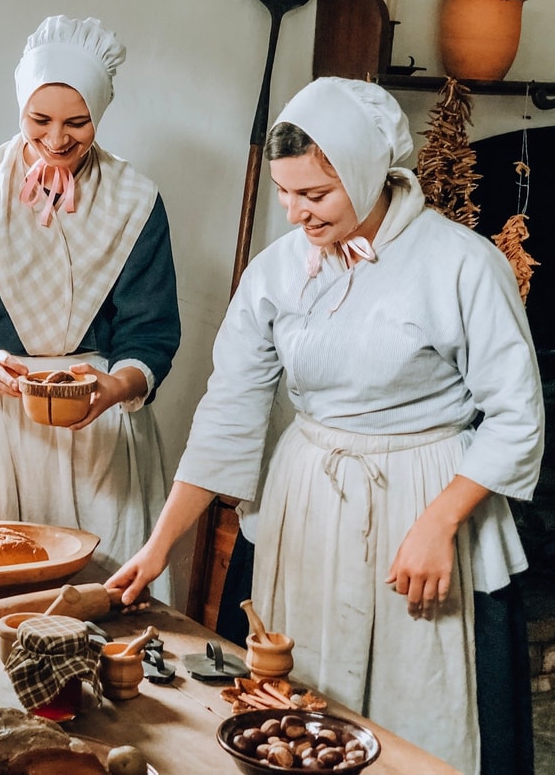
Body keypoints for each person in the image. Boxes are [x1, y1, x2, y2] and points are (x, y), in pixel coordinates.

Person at [106, 77, 543, 775]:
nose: (295, 213)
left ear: (370, 173)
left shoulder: (461, 263)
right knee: (292, 696)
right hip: (308, 498)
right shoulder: (276, 272)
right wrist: (161, 546)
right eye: (285, 193)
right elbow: (231, 411)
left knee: (413, 698)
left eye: (315, 195)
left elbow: (517, 415)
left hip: (425, 495)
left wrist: (439, 524)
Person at [0, 15, 180, 584]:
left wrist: (115, 387)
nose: (57, 140)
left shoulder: (136, 201)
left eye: (77, 123)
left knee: (100, 606)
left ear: (100, 115)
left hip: (97, 429)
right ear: (20, 109)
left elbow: (150, 334)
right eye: (40, 120)